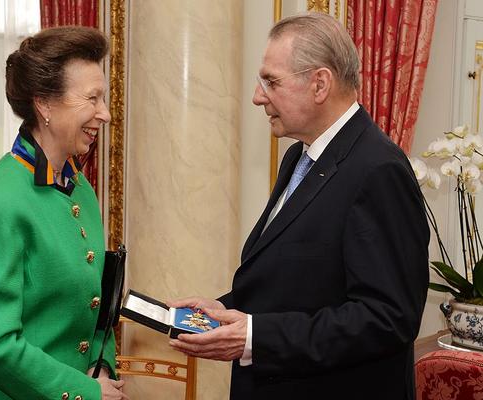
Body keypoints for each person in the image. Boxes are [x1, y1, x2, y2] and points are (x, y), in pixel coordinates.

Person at [169, 12, 429, 400]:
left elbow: (387, 318)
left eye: (271, 82)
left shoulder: (378, 169)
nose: (258, 96)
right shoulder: (298, 157)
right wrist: (224, 310)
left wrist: (257, 337)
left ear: (320, 84)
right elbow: (297, 281)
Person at [0, 26, 128, 400]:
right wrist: (83, 390)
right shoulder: (0, 198)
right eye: (92, 99)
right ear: (44, 104)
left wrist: (101, 365)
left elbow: (95, 305)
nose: (106, 114)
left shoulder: (78, 185)